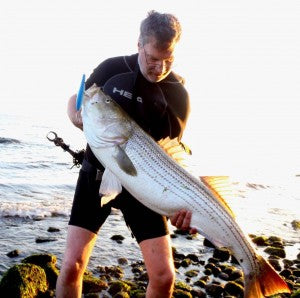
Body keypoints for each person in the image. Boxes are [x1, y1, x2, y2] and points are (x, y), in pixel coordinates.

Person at [56, 10, 195, 298]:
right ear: (140, 44)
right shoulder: (112, 69)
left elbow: (170, 160)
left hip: (145, 184)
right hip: (97, 174)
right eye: (153, 58)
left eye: (168, 60)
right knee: (71, 266)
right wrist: (76, 115)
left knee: (164, 276)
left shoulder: (178, 95)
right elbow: (78, 97)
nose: (160, 68)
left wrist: (178, 209)